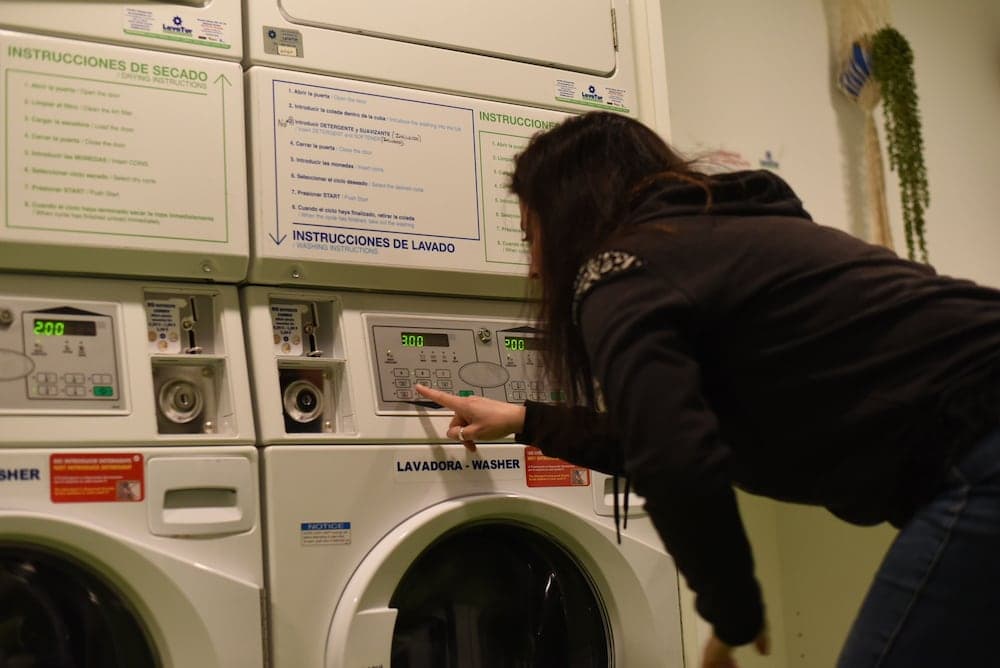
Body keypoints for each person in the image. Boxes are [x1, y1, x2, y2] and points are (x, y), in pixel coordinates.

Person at [414, 110, 1000, 668]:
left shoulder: (619, 270)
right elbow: (673, 434)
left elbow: (672, 458)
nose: (534, 267)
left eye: (530, 236)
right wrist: (525, 419)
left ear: (568, 216)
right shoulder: (723, 237)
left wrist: (731, 615)